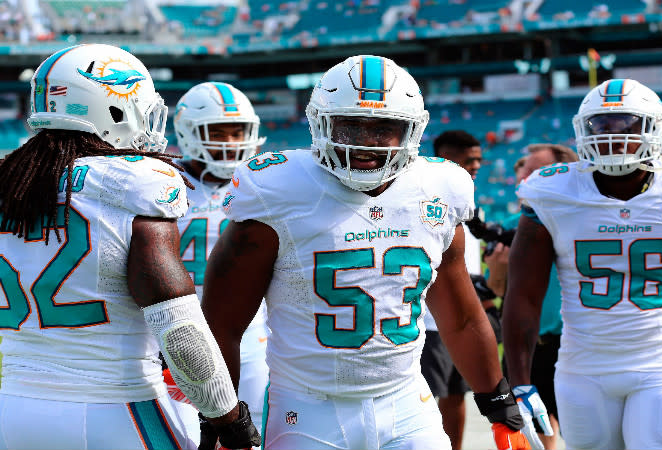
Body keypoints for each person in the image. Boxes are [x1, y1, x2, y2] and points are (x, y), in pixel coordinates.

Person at [202, 55, 537, 450]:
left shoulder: (438, 190)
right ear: (321, 123)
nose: (365, 141)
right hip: (307, 407)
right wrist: (219, 418)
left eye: (383, 128)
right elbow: (221, 326)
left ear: (410, 132)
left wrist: (494, 395)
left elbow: (461, 318)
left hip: (408, 401)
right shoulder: (277, 192)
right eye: (351, 125)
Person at [0, 44, 259, 450]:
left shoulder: (11, 180)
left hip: (13, 409)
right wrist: (228, 419)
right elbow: (179, 328)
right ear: (115, 110)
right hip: (116, 405)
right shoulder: (135, 181)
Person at [503, 78, 662, 450]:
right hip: (583, 370)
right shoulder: (553, 193)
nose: (612, 135)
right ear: (582, 130)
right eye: (601, 126)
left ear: (653, 129)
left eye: (626, 125)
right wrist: (519, 383)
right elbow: (523, 296)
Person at [166, 81, 270, 447]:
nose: (230, 141)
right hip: (174, 327)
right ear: (189, 133)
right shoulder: (161, 181)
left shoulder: (263, 183)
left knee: (252, 432)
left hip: (250, 329)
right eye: (217, 132)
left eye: (238, 131)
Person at [499, 143, 579, 450]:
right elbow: (499, 292)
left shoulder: (582, 221)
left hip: (569, 342)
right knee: (531, 432)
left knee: (585, 432)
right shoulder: (514, 225)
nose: (525, 176)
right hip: (526, 344)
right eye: (523, 170)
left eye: (535, 170)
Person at [420, 130, 484, 450]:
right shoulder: (426, 198)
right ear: (446, 158)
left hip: (463, 313)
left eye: (478, 159)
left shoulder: (469, 201)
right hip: (431, 320)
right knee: (426, 396)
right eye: (468, 159)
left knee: (457, 393)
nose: (476, 166)